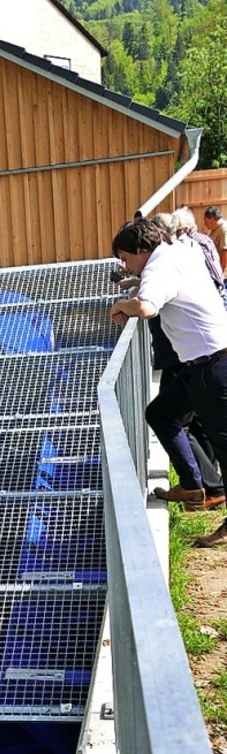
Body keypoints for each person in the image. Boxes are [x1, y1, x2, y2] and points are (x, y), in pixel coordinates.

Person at [110, 217, 227, 547]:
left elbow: (146, 308)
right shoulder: (177, 251)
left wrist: (122, 304)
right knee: (160, 413)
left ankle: (215, 503)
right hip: (199, 364)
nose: (125, 264)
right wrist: (136, 283)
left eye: (125, 257)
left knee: (224, 445)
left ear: (138, 250)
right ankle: (192, 484)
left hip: (213, 365)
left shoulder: (160, 267)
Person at [203, 206, 227, 276]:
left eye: (206, 220)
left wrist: (220, 275)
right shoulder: (215, 229)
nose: (204, 223)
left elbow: (225, 252)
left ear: (212, 219)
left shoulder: (223, 229)